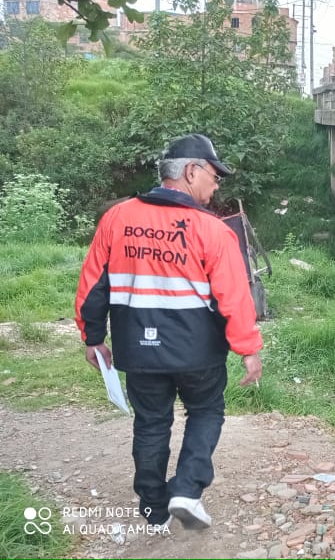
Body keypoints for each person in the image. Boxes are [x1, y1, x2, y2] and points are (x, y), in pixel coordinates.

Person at [75, 133, 264, 531]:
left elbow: (93, 284)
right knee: (206, 410)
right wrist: (248, 348)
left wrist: (93, 338)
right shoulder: (212, 231)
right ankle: (187, 490)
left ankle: (153, 509)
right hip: (198, 351)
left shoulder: (117, 218)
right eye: (213, 175)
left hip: (137, 349)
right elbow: (235, 296)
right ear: (191, 171)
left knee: (150, 422)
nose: (216, 185)